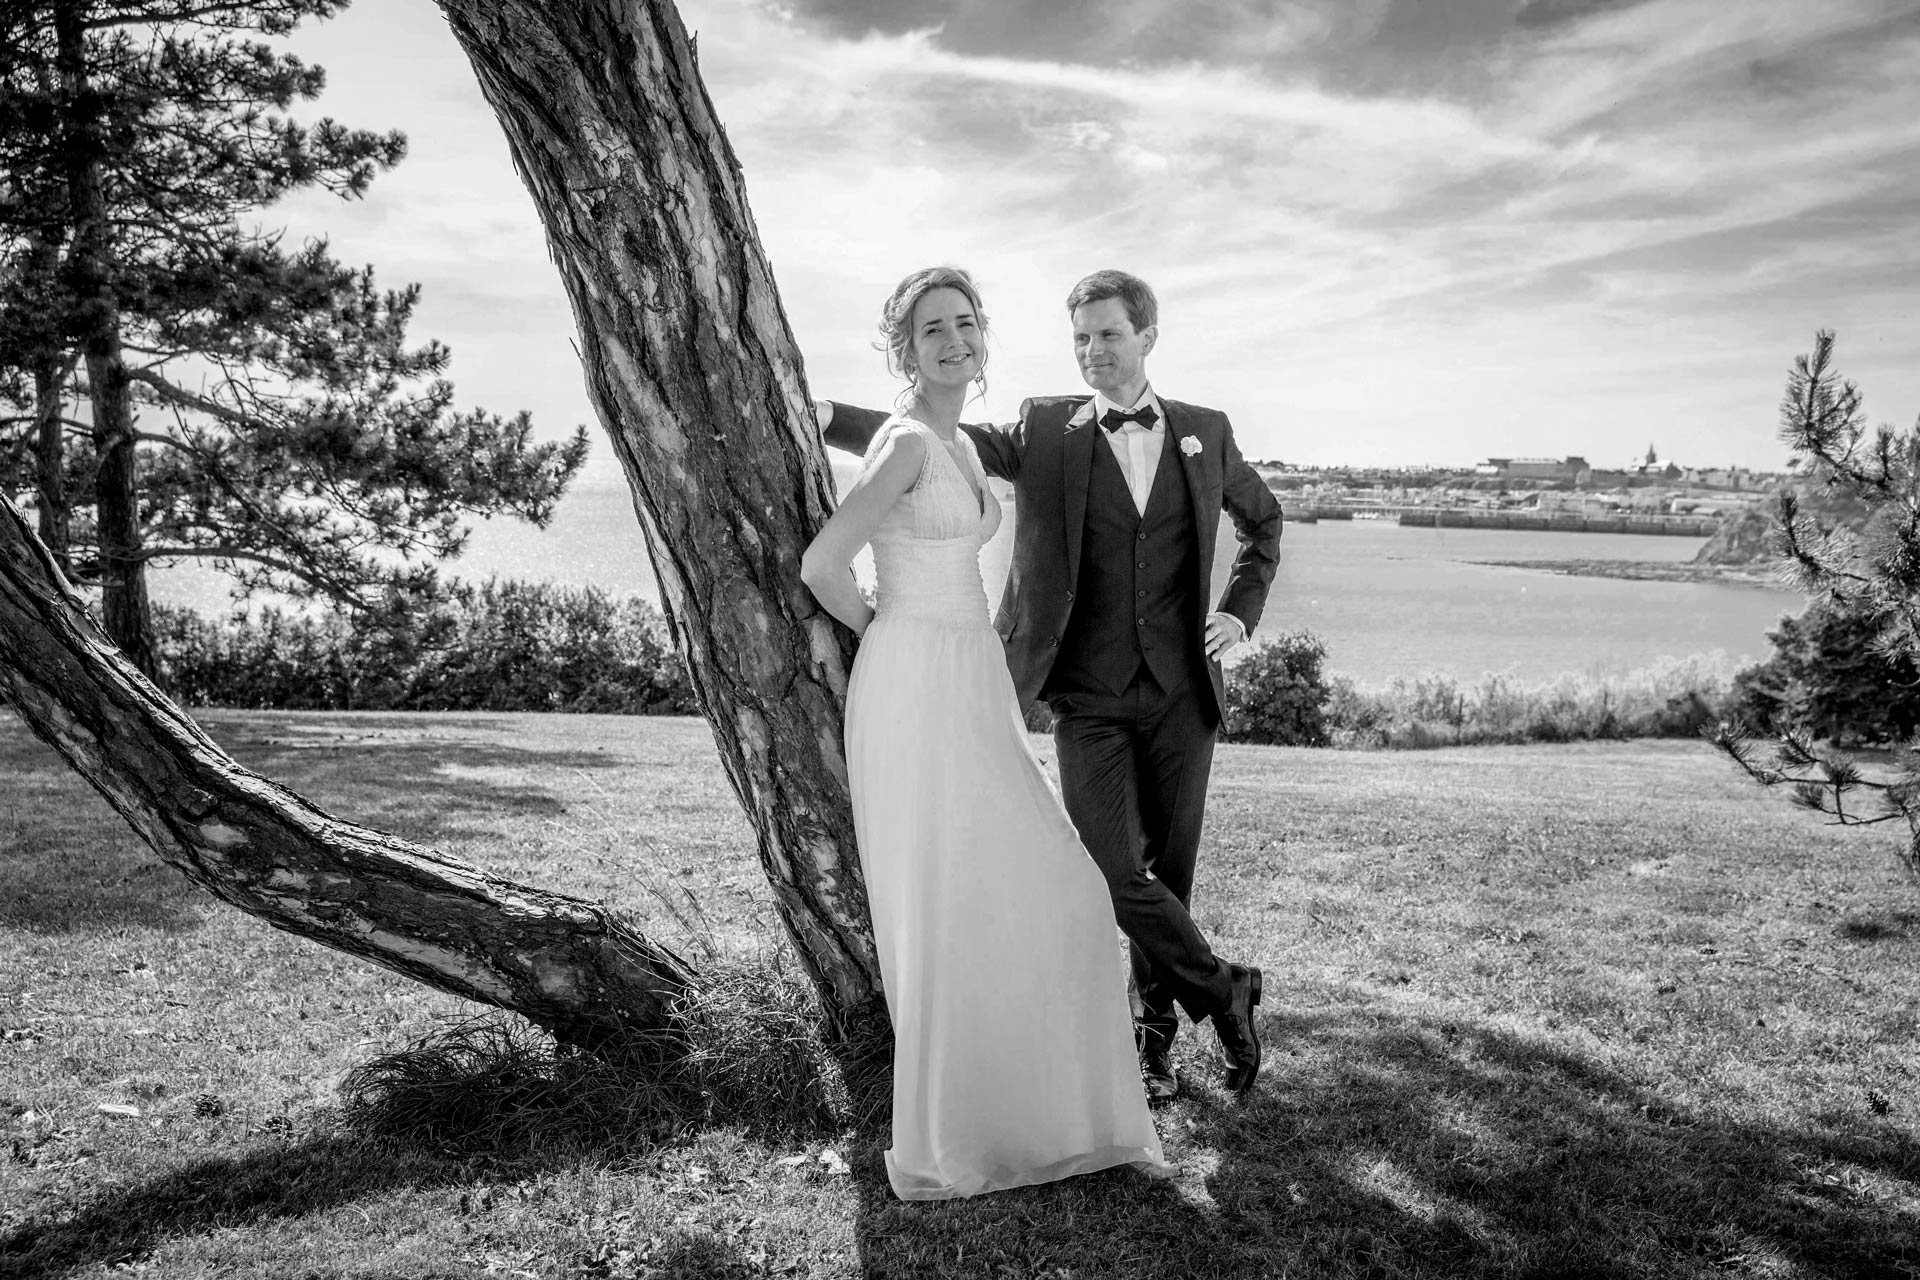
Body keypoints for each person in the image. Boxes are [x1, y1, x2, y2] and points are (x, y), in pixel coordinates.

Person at [819, 268, 1283, 1104]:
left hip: (1183, 696)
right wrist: (817, 414)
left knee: (1166, 876)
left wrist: (1239, 614)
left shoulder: (1206, 433)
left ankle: (1155, 1043)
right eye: (1080, 338)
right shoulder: (1045, 429)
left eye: (1108, 334)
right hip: (1085, 694)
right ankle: (1225, 988)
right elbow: (924, 431)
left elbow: (1265, 522)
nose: (1093, 351)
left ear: (1147, 335)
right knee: (1110, 870)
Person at [800, 266, 1169, 1201]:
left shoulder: (958, 443)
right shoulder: (902, 443)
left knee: (1050, 882)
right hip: (917, 680)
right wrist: (882, 628)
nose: (954, 340)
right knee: (944, 898)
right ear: (903, 349)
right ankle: (953, 1130)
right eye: (933, 329)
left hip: (970, 674)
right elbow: (824, 563)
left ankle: (1036, 1105)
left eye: (966, 323)